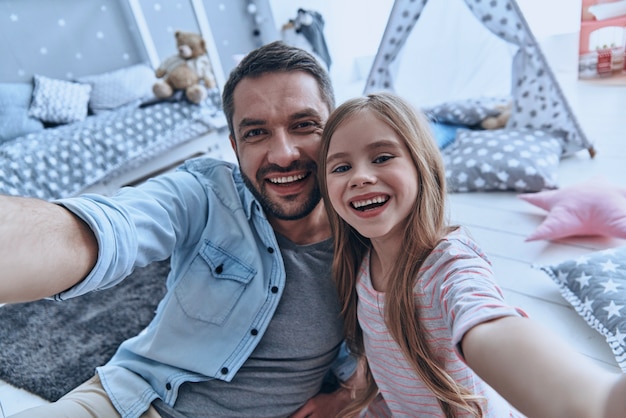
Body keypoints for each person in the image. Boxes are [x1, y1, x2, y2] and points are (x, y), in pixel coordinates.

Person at [0, 41, 360, 418]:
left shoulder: (368, 231)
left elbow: (389, 334)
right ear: (235, 148)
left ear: (334, 128)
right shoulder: (205, 194)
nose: (283, 154)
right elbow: (111, 228)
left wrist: (350, 392)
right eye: (256, 133)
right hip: (135, 402)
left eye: (304, 125)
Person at [318, 92, 626, 418]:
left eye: (381, 158)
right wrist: (347, 395)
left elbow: (485, 323)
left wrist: (600, 403)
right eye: (341, 167)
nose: (360, 177)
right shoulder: (361, 262)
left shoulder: (449, 265)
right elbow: (386, 359)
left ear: (423, 166)